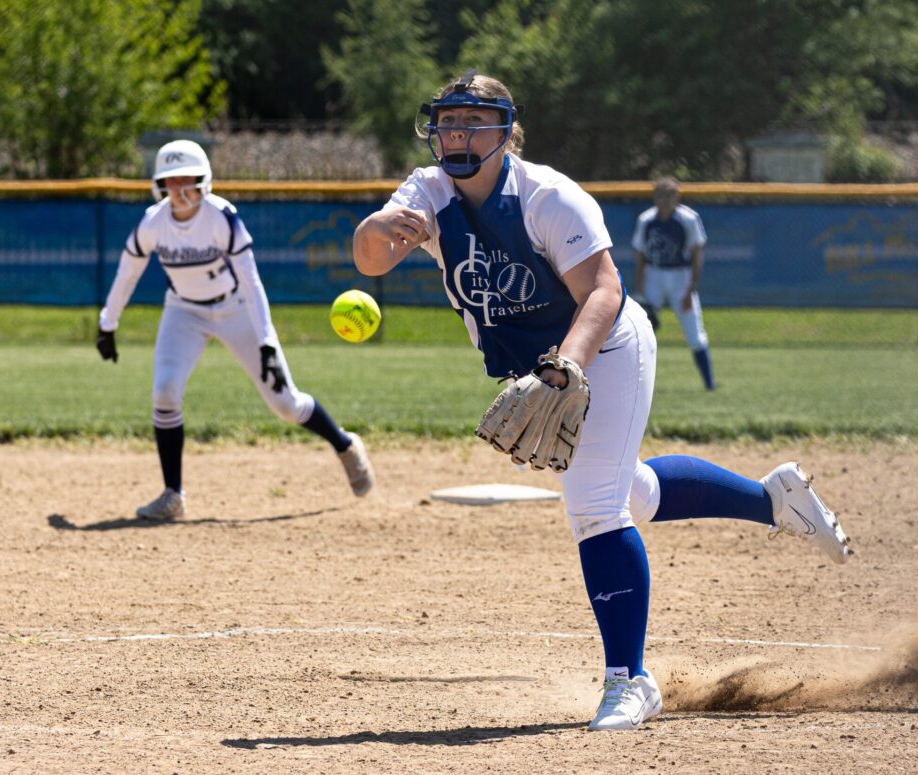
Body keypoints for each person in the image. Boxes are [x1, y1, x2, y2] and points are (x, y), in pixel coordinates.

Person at [352, 71, 851, 731]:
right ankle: (773, 499)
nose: (457, 134)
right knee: (629, 491)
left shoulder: (548, 197)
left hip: (606, 346)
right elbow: (370, 261)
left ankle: (630, 679)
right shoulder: (427, 190)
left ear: (506, 132)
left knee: (594, 503)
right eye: (447, 121)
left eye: (473, 121)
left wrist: (567, 366)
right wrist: (379, 224)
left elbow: (604, 291)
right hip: (542, 365)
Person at [95, 139, 374, 520]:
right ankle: (173, 495)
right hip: (184, 311)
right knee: (164, 392)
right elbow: (128, 272)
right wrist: (108, 323)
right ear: (159, 184)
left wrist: (266, 342)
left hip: (235, 308)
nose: (179, 188)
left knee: (285, 404)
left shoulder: (221, 217)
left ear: (203, 180)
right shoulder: (153, 222)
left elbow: (251, 283)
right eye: (171, 180)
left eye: (187, 179)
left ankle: (344, 444)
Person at [631, 177, 715, 390]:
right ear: (654, 197)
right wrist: (639, 292)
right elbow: (640, 257)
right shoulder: (646, 220)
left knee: (695, 335)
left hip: (680, 277)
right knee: (640, 331)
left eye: (670, 194)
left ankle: (709, 383)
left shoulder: (688, 219)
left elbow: (696, 255)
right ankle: (634, 382)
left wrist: (690, 289)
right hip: (654, 275)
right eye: (661, 194)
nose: (665, 199)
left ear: (677, 196)